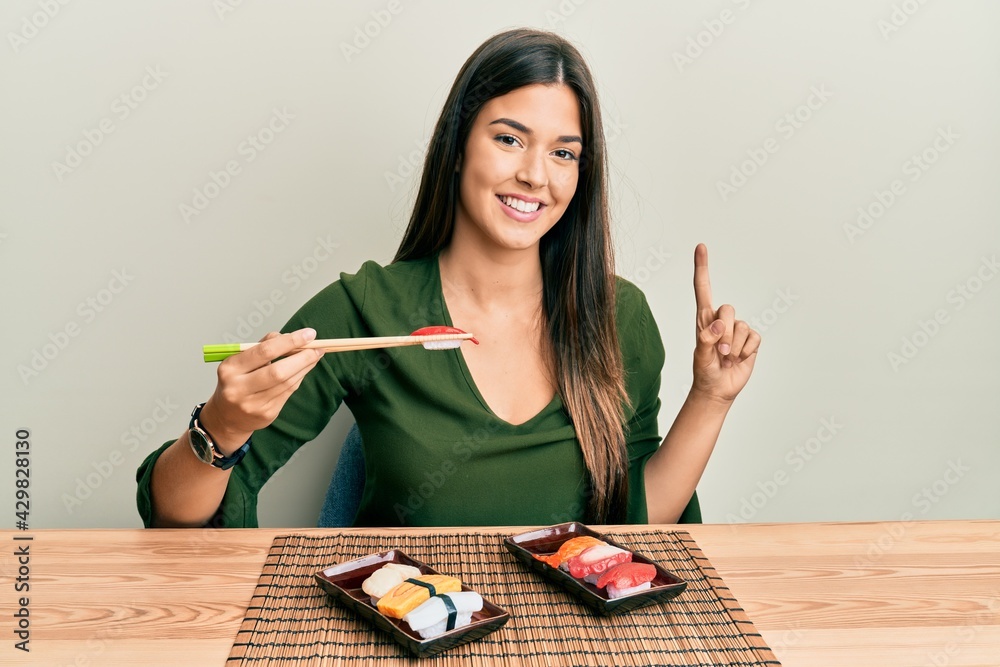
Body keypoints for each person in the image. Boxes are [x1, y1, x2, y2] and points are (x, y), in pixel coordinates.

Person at [136, 28, 760, 529]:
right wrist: (221, 426)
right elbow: (174, 518)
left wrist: (711, 396)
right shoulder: (363, 310)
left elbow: (639, 532)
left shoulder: (620, 316)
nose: (536, 175)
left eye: (564, 152)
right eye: (510, 139)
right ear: (459, 144)